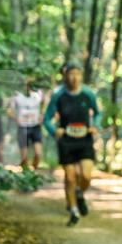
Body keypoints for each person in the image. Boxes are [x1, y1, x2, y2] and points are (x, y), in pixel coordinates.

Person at [43, 61, 100, 226]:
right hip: (67, 141)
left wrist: (95, 126)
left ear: (81, 76)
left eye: (77, 74)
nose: (74, 78)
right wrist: (55, 131)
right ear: (65, 76)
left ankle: (79, 193)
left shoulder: (88, 94)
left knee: (86, 175)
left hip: (84, 139)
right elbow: (47, 119)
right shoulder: (58, 95)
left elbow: (97, 113)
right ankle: (74, 211)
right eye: (71, 74)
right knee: (69, 177)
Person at [9, 77, 44, 171]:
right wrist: (16, 119)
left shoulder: (39, 94)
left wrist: (42, 114)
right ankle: (26, 175)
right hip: (23, 127)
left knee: (38, 154)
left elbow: (45, 102)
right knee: (24, 158)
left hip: (35, 126)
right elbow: (9, 111)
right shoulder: (17, 95)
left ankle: (33, 172)